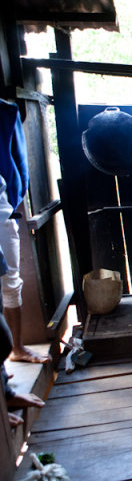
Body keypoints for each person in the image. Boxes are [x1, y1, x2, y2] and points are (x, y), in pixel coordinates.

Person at [0, 98, 50, 364]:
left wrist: (15, 193)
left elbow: (18, 159)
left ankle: (17, 348)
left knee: (10, 278)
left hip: (0, 205)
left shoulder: (5, 112)